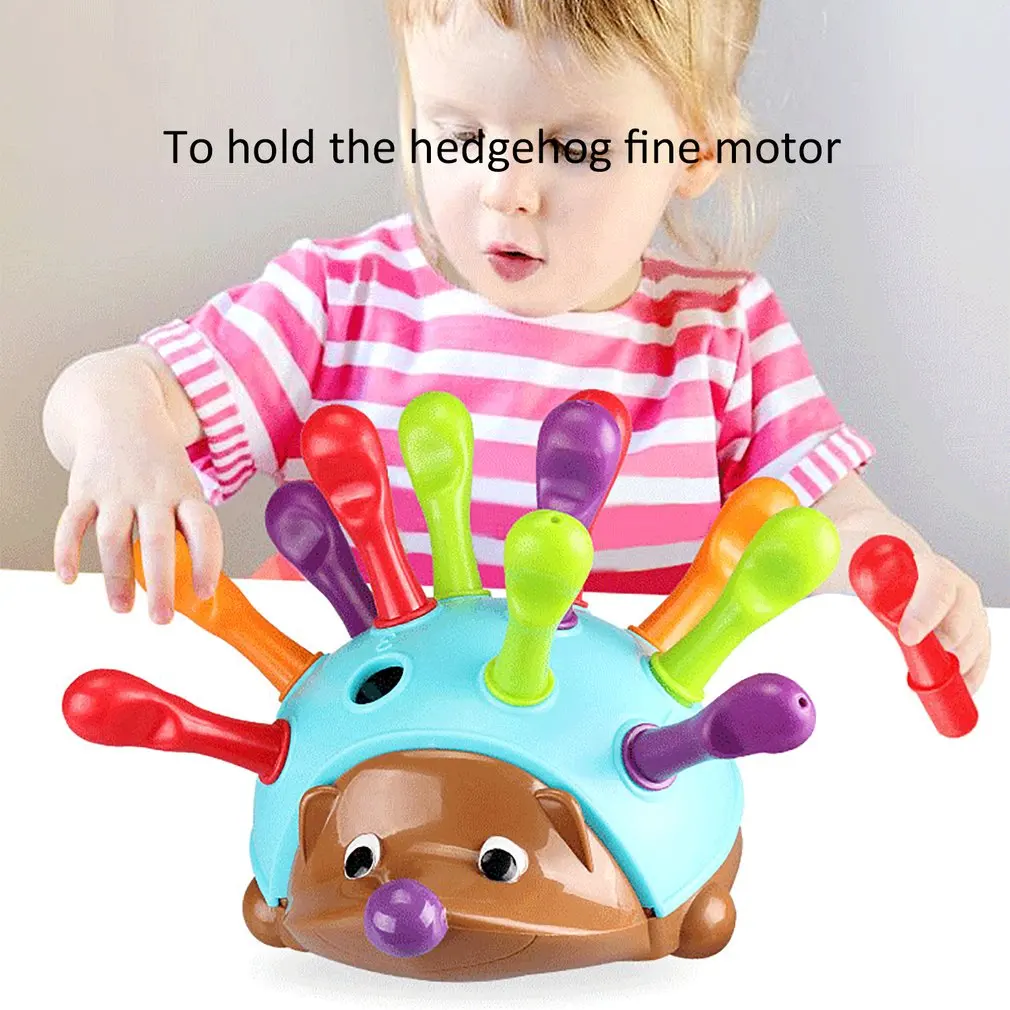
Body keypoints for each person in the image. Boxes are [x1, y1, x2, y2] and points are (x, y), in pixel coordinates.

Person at [42, 0, 990, 691]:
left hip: (594, 798)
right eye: (460, 133)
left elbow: (828, 523)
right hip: (357, 769)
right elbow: (110, 386)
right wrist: (125, 438)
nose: (507, 187)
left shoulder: (724, 334)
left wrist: (899, 576)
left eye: (575, 149)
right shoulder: (337, 300)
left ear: (694, 148)